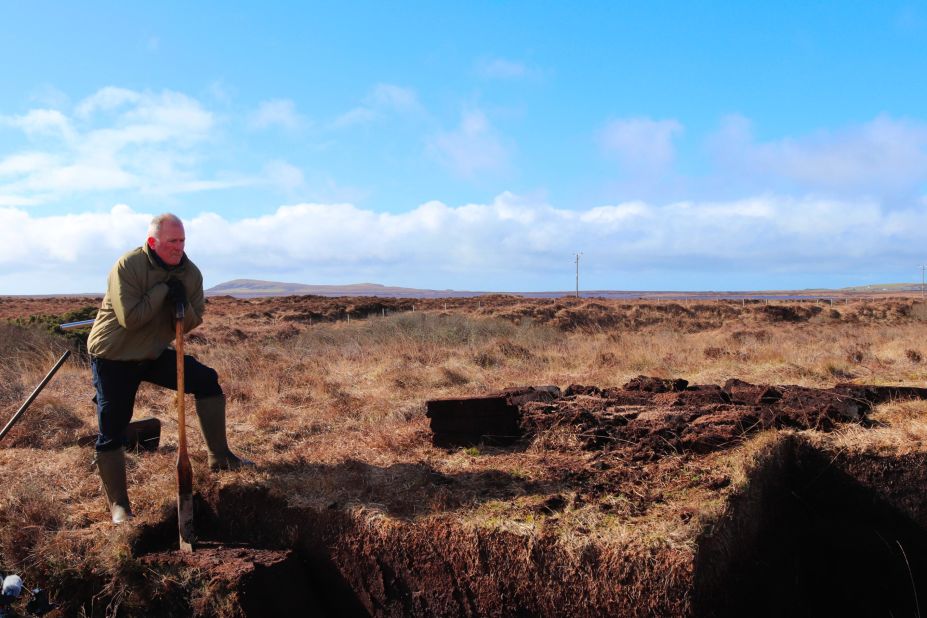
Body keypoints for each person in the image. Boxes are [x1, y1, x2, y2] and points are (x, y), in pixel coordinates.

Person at [88, 213, 252, 524]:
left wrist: (182, 303)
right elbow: (131, 319)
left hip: (152, 353)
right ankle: (120, 506)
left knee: (206, 381)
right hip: (114, 356)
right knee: (112, 426)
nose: (179, 247)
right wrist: (164, 291)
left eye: (182, 241)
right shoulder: (129, 266)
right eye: (172, 242)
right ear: (153, 242)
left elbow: (192, 321)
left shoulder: (190, 273)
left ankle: (220, 457)